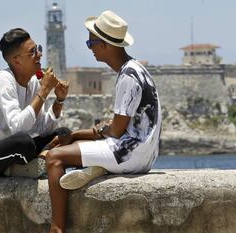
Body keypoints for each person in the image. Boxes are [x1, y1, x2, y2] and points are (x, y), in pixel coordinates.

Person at [43, 10, 162, 232]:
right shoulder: (138, 69)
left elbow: (116, 131)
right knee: (77, 146)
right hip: (146, 153)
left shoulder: (127, 76)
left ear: (105, 45)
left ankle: (57, 228)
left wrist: (80, 134)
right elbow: (121, 125)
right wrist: (78, 135)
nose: (90, 48)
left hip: (130, 155)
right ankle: (98, 167)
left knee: (54, 158)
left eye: (91, 43)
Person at [0, 28, 69, 178]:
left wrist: (59, 100)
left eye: (38, 49)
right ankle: (30, 166)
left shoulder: (33, 82)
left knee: (63, 134)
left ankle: (34, 164)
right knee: (23, 142)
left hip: (12, 150)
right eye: (32, 52)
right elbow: (18, 127)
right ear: (16, 60)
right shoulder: (3, 80)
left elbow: (42, 129)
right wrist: (43, 92)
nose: (39, 54)